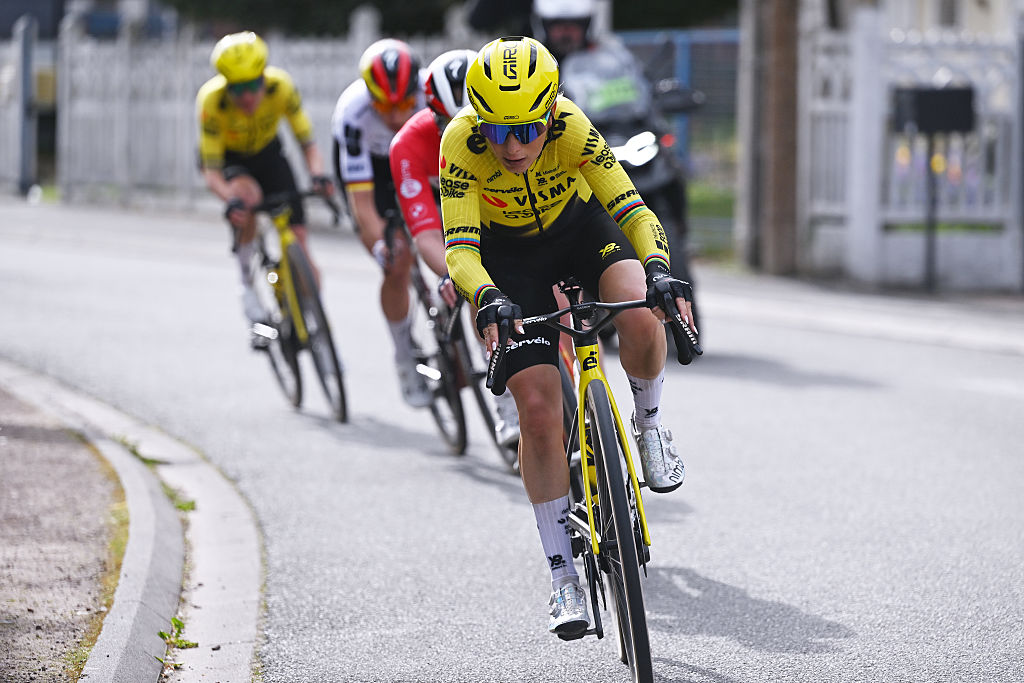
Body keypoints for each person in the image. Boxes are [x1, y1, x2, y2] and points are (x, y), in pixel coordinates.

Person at [440, 37, 694, 637]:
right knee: (535, 405)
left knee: (638, 311)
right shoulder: (461, 145)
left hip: (579, 229)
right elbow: (460, 250)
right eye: (496, 130)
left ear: (551, 113)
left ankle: (651, 426)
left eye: (526, 129)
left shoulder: (574, 127)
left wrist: (657, 266)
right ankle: (561, 574)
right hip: (507, 259)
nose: (512, 146)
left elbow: (632, 210)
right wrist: (487, 295)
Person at [388, 48, 520, 446]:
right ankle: (506, 407)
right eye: (448, 121)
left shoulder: (506, 134)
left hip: (492, 209)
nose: (463, 129)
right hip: (443, 220)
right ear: (432, 114)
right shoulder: (408, 145)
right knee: (475, 293)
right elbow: (427, 234)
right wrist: (452, 273)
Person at [196, 31, 332, 344]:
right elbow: (211, 171)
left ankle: (317, 324)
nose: (247, 96)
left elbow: (307, 144)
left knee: (299, 241)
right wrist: (229, 199)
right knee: (248, 199)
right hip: (231, 161)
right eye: (237, 89)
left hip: (269, 155)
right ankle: (246, 286)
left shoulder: (280, 87)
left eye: (252, 85)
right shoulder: (212, 101)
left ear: (263, 78)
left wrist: (317, 175)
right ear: (226, 85)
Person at [331, 38, 431, 408]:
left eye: (404, 105)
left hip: (417, 156)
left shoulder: (429, 95)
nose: (394, 116)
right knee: (397, 260)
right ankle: (403, 352)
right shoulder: (353, 115)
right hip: (371, 174)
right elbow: (362, 204)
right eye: (384, 107)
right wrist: (381, 246)